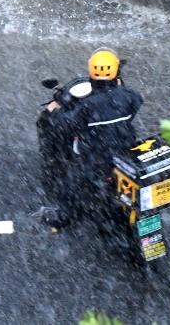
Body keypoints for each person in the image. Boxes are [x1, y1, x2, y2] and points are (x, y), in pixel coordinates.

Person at [42, 48, 143, 229]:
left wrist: (54, 111)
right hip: (125, 147)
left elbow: (66, 124)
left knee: (70, 183)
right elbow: (137, 103)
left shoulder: (88, 105)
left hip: (96, 156)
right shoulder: (128, 97)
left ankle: (63, 218)